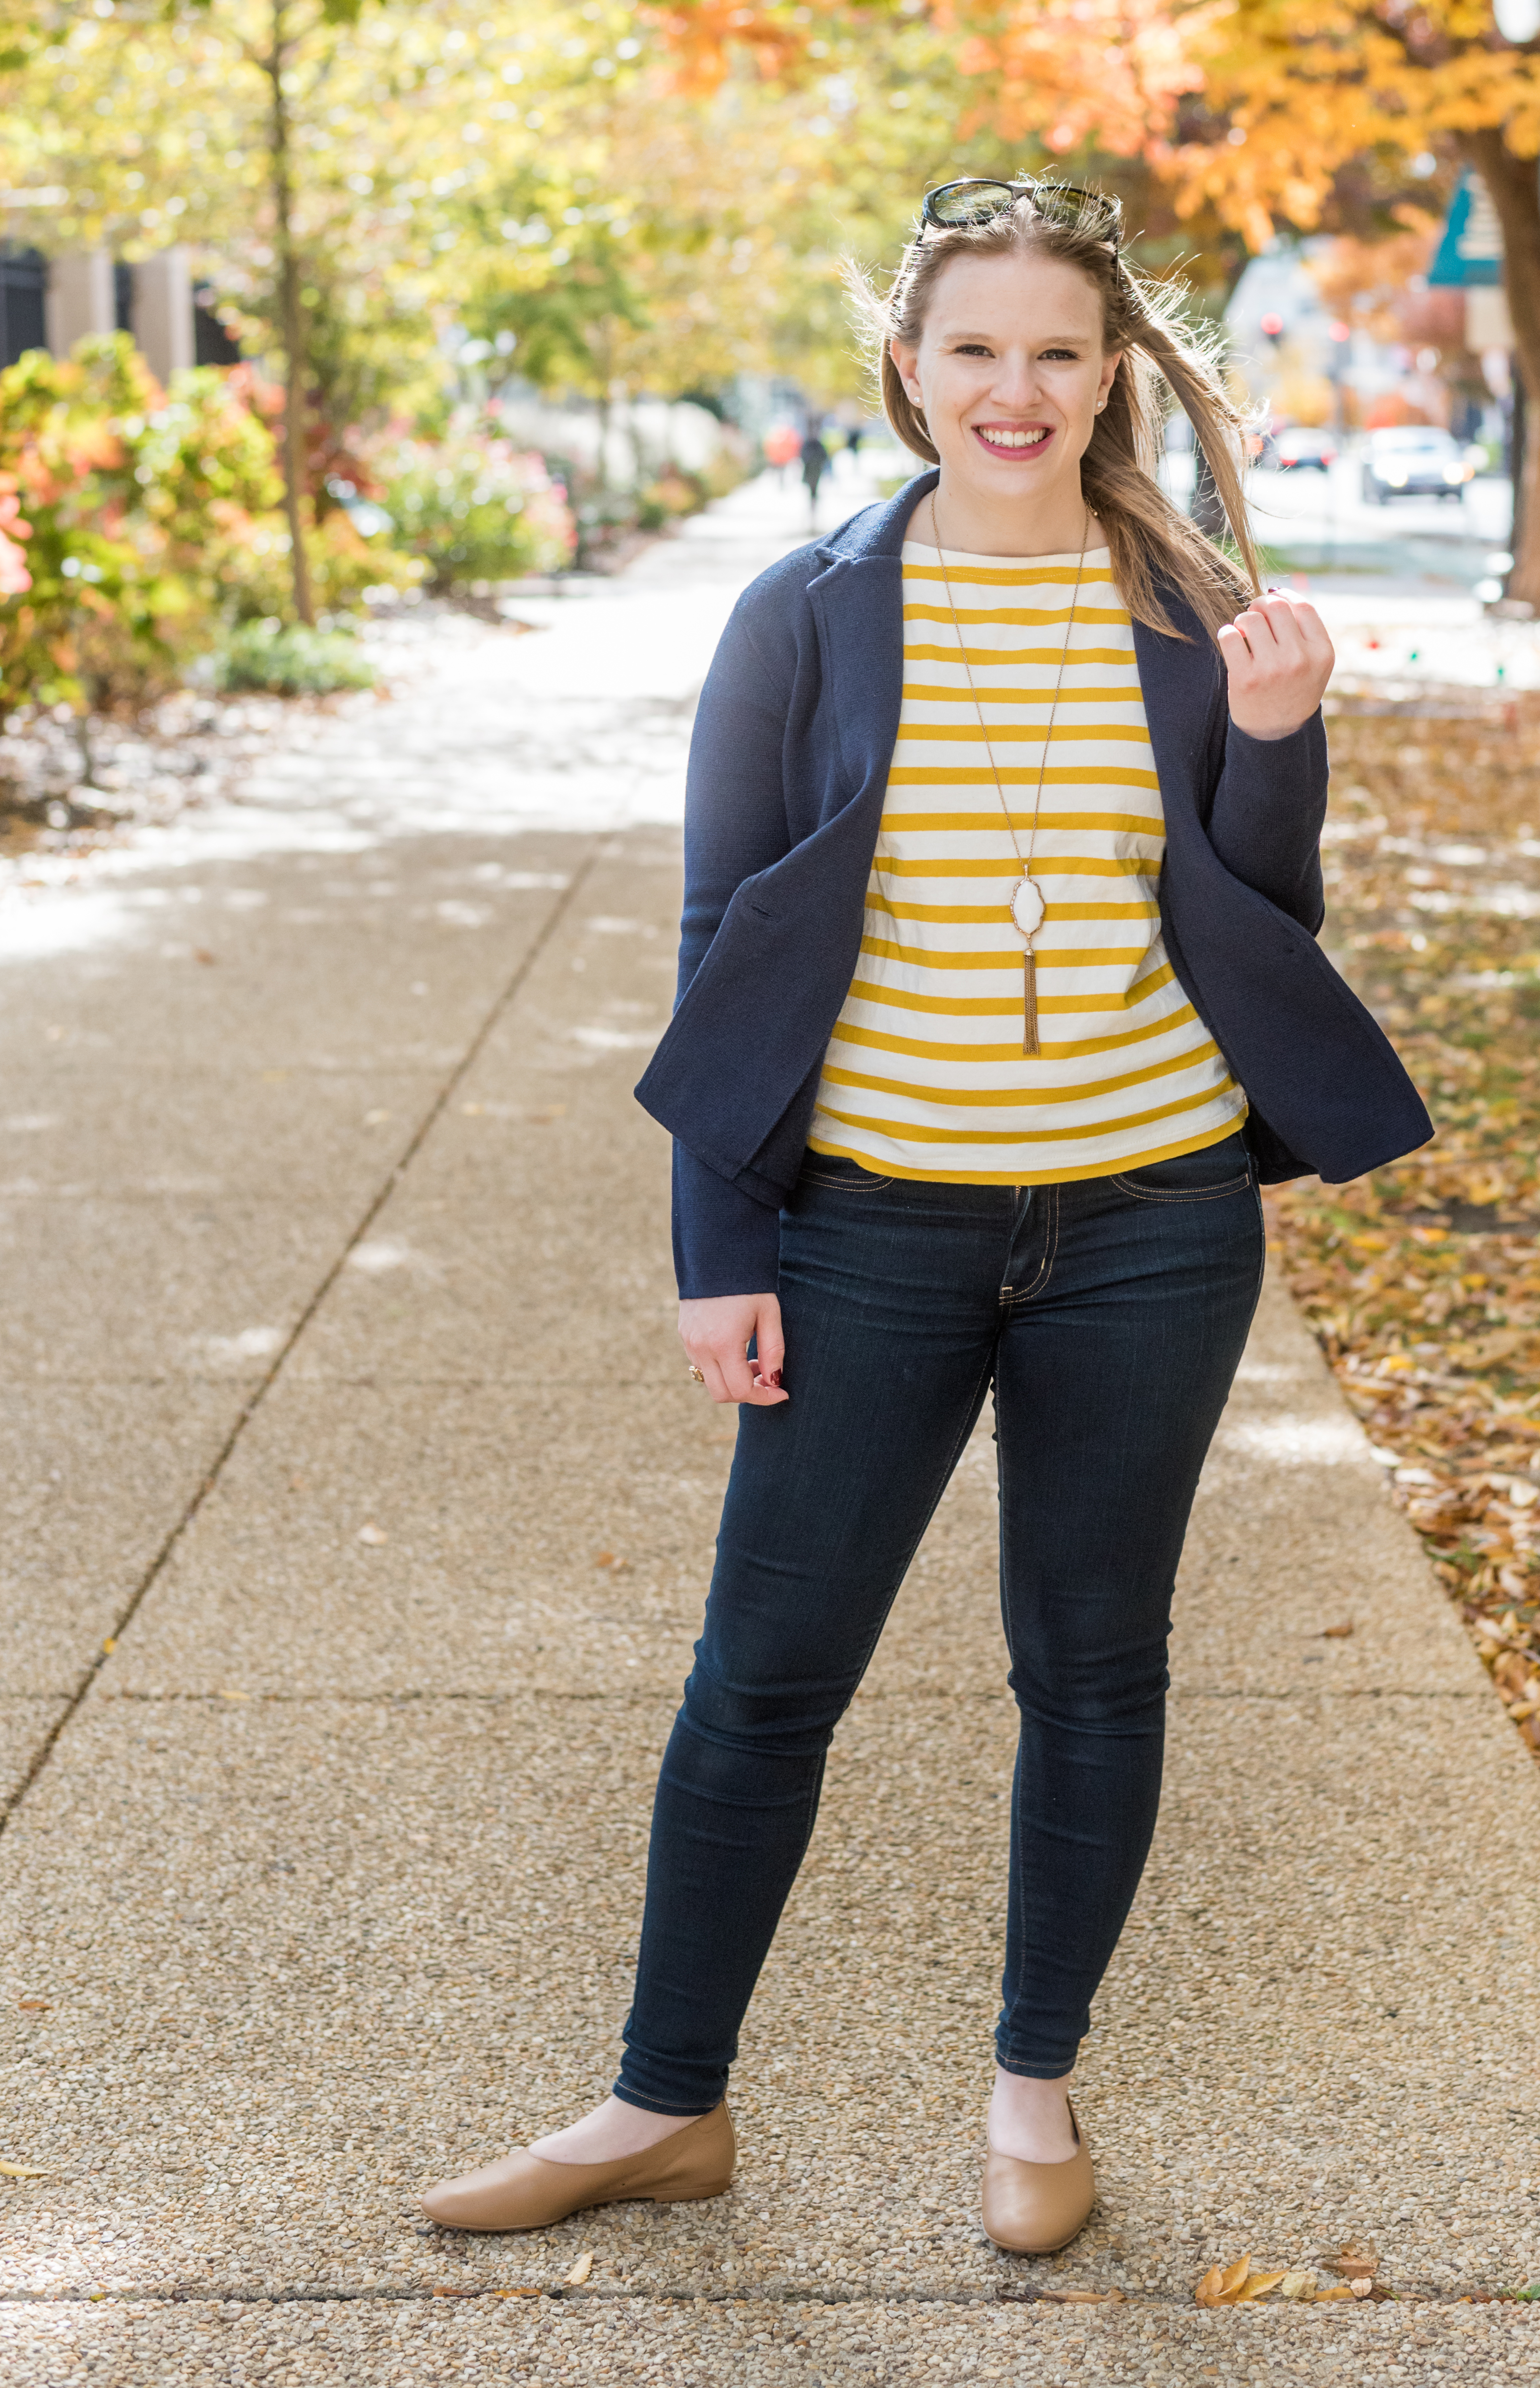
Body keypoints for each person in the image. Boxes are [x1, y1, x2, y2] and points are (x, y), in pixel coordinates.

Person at [420, 175, 1430, 2256]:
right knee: (764, 1672)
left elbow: (1261, 917)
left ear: (1111, 373)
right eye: (973, 345)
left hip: (1149, 1214)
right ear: (906, 365)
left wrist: (1270, 738)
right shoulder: (806, 606)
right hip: (871, 1221)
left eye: (1057, 347)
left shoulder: (1191, 606)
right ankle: (658, 2101)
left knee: (1090, 1663)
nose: (1015, 386)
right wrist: (720, 1246)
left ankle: (1031, 2091)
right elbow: (725, 935)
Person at [799, 425, 830, 521]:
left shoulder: (818, 444)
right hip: (809, 472)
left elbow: (825, 457)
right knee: (811, 491)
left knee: (814, 491)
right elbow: (803, 457)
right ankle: (812, 508)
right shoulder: (807, 444)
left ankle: (814, 508)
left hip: (816, 472)